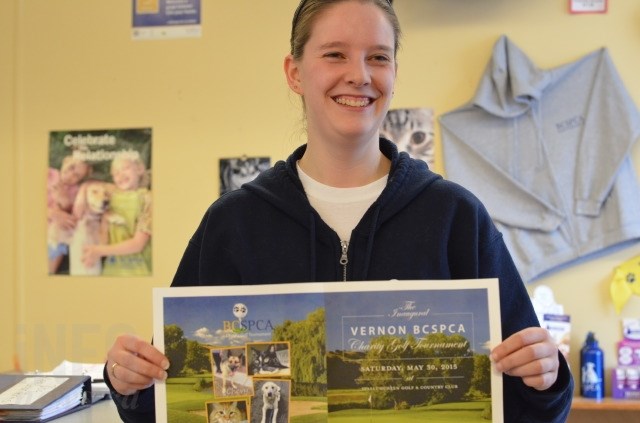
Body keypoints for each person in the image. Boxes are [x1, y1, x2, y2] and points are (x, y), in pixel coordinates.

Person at [104, 0, 573, 421]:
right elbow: (165, 401)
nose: (360, 74)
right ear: (294, 72)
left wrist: (547, 376)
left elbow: (530, 404)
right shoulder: (232, 224)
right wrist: (130, 383)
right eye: (334, 54)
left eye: (378, 57)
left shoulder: (456, 217)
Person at [82, 151, 152, 276]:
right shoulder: (109, 197)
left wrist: (98, 251)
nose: (120, 175)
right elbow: (104, 238)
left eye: (125, 168)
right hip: (112, 267)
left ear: (140, 169)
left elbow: (138, 244)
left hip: (138, 269)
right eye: (116, 173)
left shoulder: (148, 198)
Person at [47, 154, 92, 274]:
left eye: (77, 176)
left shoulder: (75, 190)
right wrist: (51, 213)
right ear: (65, 161)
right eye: (72, 167)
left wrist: (65, 203)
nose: (71, 175)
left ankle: (49, 271)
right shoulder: (48, 174)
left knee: (65, 228)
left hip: (53, 232)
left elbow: (71, 212)